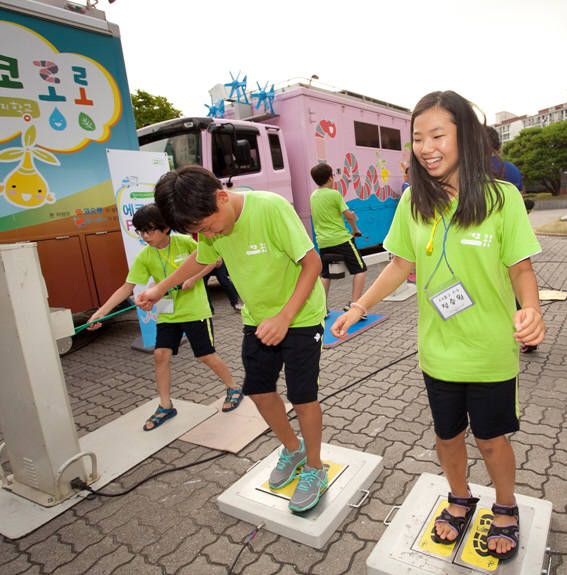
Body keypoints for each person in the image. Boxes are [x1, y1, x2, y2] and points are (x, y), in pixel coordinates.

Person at [332, 91, 545, 561]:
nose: (425, 146)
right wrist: (359, 305)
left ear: (464, 137)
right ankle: (460, 497)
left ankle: (505, 506)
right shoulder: (412, 200)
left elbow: (521, 269)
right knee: (446, 436)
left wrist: (531, 308)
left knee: (491, 439)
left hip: (490, 350)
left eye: (437, 135)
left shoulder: (501, 198)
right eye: (417, 138)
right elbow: (397, 264)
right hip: (437, 350)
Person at [137, 165, 328, 513]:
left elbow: (312, 263)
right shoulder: (210, 226)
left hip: (299, 317)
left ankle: (315, 467)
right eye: (200, 231)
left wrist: (285, 316)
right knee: (257, 389)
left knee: (302, 397)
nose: (208, 233)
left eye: (208, 226)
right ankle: (292, 448)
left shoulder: (270, 208)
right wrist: (160, 288)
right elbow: (201, 258)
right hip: (257, 319)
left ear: (221, 197)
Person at [87, 204, 243, 431]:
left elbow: (215, 260)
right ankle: (165, 405)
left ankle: (233, 388)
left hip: (195, 310)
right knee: (160, 355)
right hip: (167, 313)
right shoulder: (145, 256)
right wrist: (101, 312)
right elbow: (126, 287)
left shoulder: (186, 242)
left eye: (149, 230)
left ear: (166, 227)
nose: (145, 236)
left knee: (205, 355)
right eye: (140, 231)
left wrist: (194, 278)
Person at [486, 126, 537, 353]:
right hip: (514, 233)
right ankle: (527, 331)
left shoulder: (476, 169)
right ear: (499, 146)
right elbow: (521, 198)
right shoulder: (513, 169)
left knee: (497, 285)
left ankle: (508, 330)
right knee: (519, 280)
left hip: (487, 239)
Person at [309, 162, 368, 315]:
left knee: (326, 274)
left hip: (323, 242)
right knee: (360, 269)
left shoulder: (313, 196)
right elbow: (348, 214)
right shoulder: (334, 194)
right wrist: (355, 228)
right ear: (330, 178)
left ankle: (322, 308)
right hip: (341, 239)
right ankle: (354, 304)